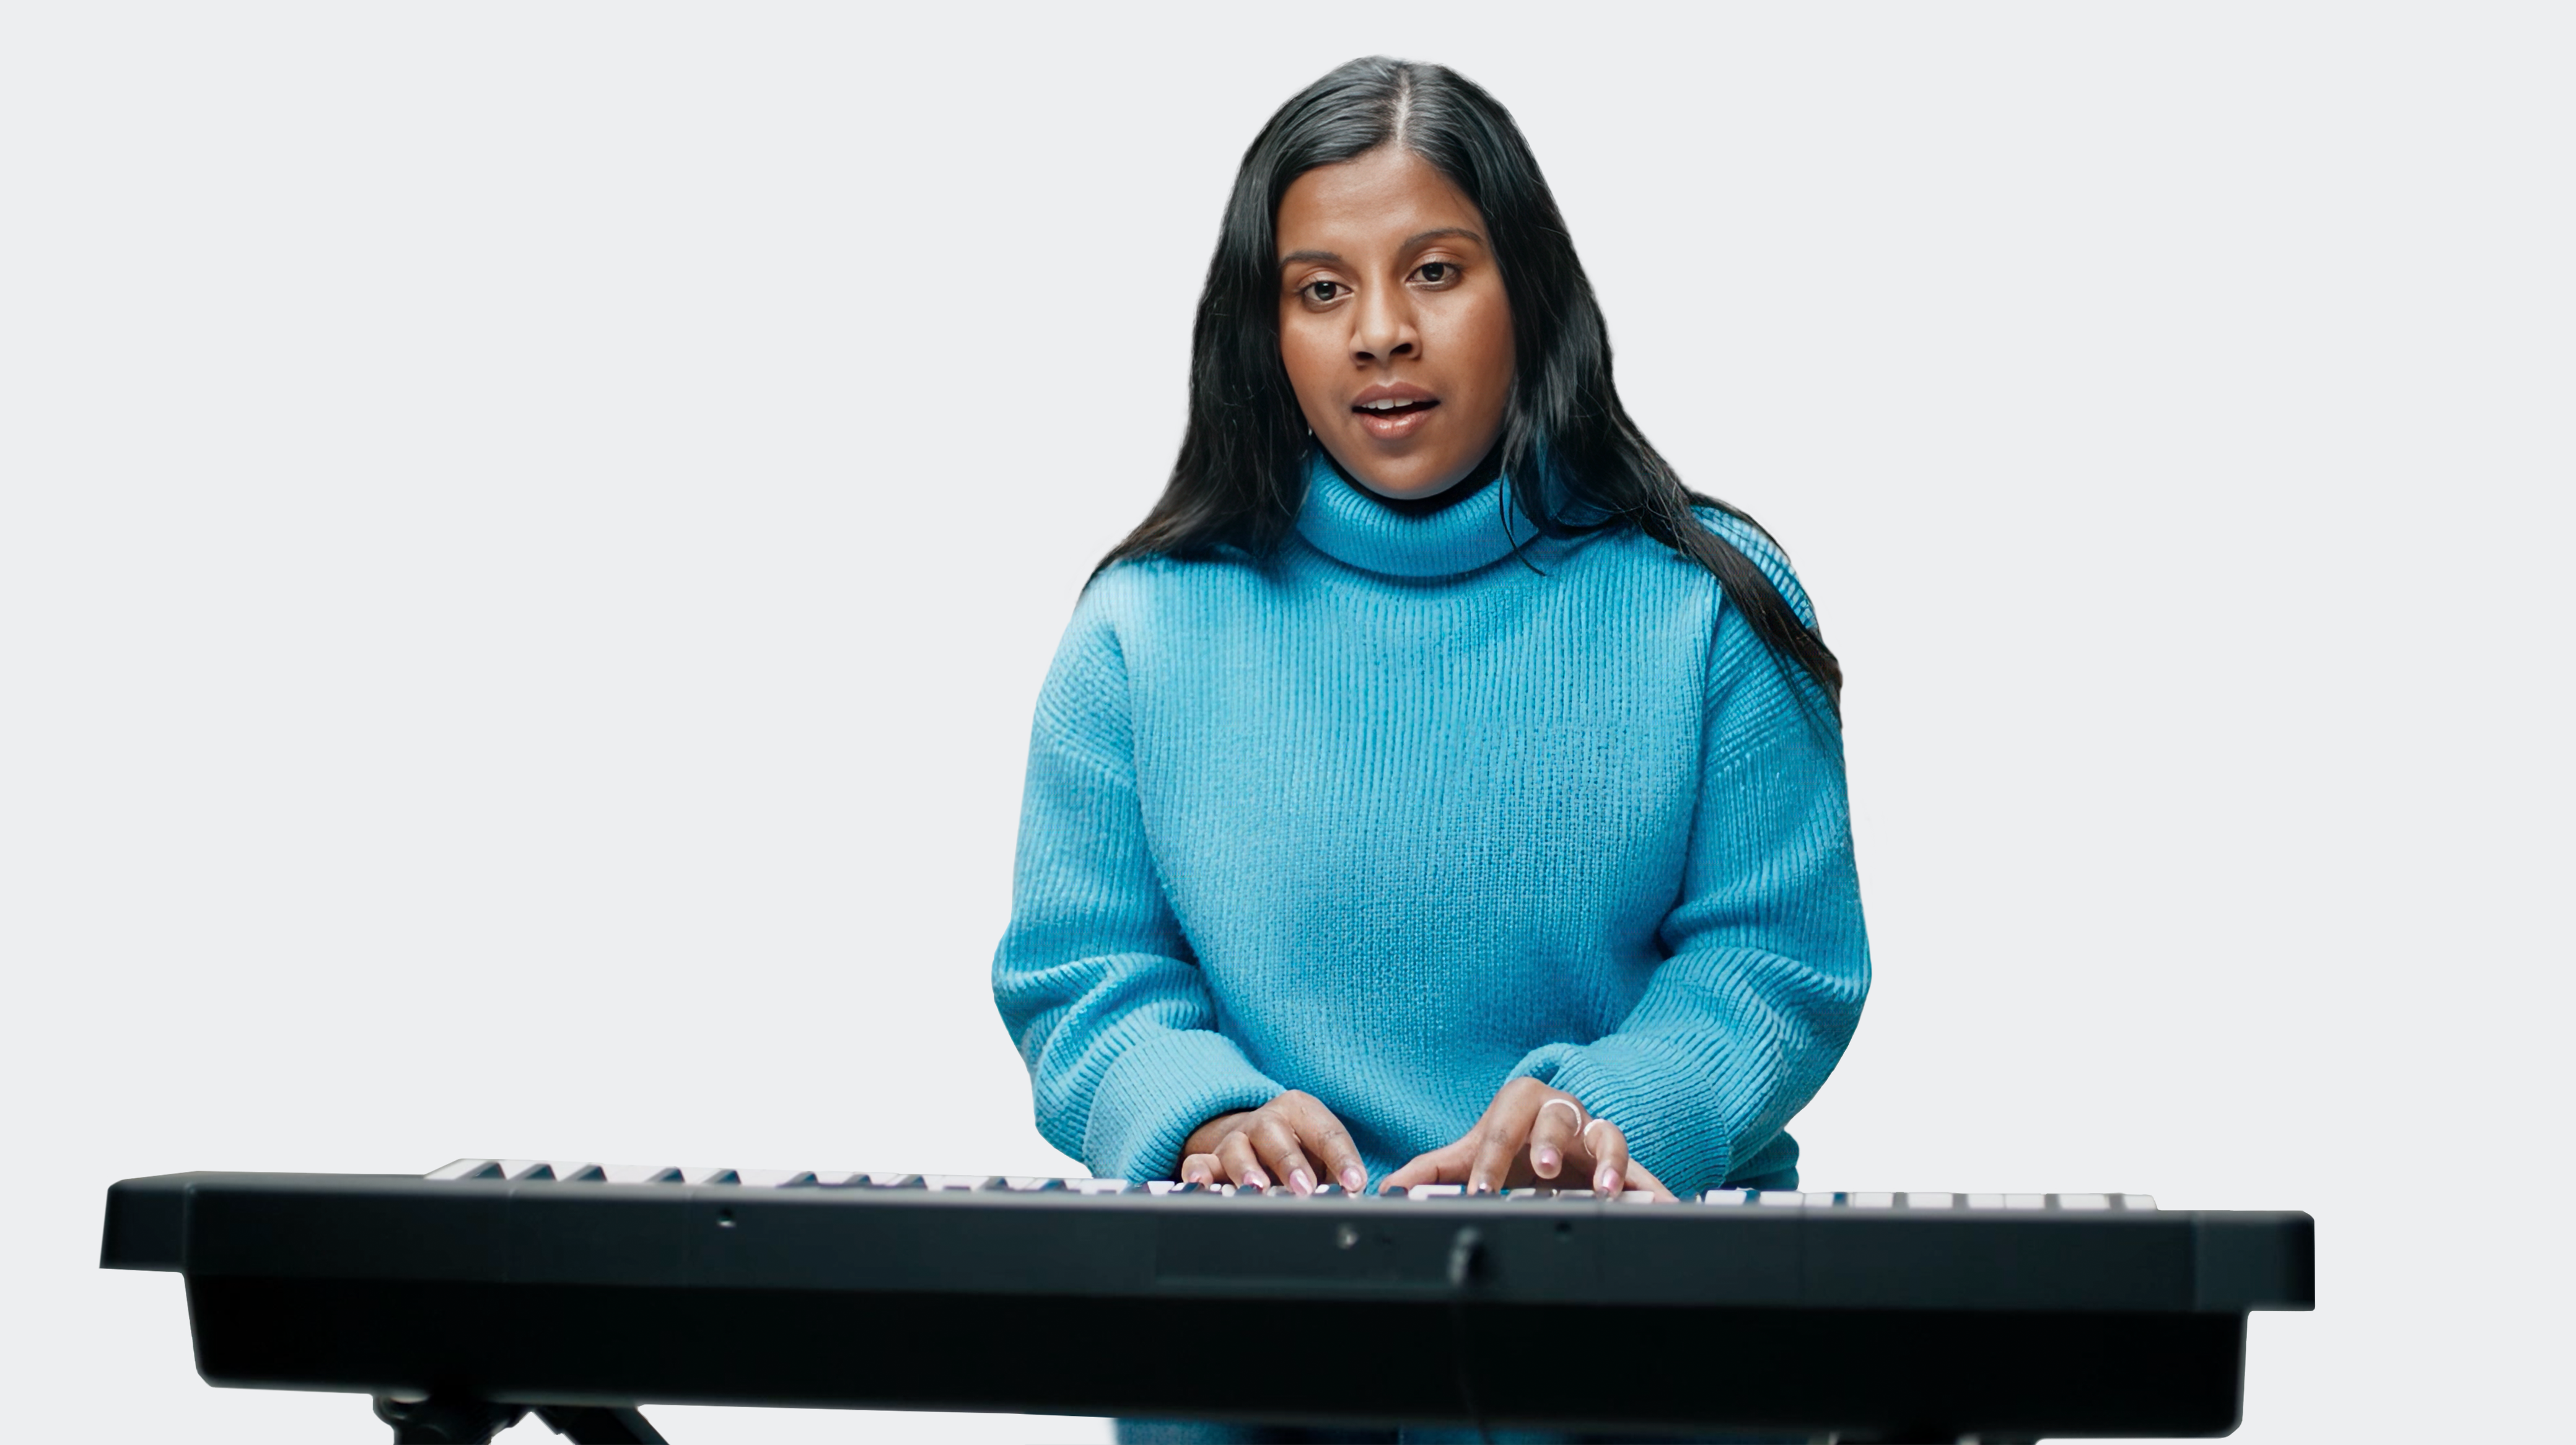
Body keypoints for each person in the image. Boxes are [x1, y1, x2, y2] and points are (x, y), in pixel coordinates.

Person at [990, 55, 1868, 1440]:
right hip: (1244, 1352)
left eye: (1438, 272)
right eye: (1321, 288)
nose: (1380, 333)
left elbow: (1777, 961)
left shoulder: (1712, 603)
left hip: (1636, 1342)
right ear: (1262, 329)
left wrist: (1610, 1114)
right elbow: (1083, 974)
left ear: (1529, 290)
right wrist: (1201, 1116)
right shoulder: (1141, 630)